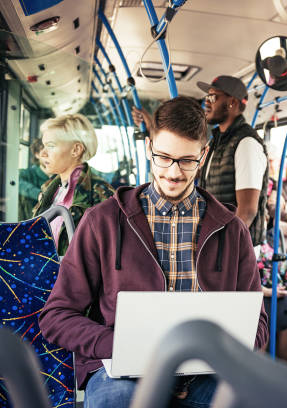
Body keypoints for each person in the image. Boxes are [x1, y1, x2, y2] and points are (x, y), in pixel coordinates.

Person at [39, 97, 268, 408]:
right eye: (163, 157)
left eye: (187, 160)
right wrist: (122, 347)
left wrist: (214, 354)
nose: (174, 172)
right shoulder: (102, 222)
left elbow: (258, 324)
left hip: (204, 373)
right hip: (122, 370)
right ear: (149, 147)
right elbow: (56, 316)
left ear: (204, 154)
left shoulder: (231, 230)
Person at [132, 76, 269, 250]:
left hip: (233, 248)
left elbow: (247, 211)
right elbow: (189, 169)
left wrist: (222, 250)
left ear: (232, 102)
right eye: (206, 97)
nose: (207, 102)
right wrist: (152, 127)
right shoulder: (217, 141)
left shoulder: (246, 143)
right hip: (213, 238)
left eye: (213, 97)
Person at [32, 114, 114, 255]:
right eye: (43, 146)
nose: (43, 153)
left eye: (50, 146)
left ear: (76, 150)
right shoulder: (49, 188)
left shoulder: (102, 194)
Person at [18, 138, 51, 220]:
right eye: (44, 153)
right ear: (37, 154)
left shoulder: (61, 177)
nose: (48, 158)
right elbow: (16, 183)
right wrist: (39, 194)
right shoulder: (27, 174)